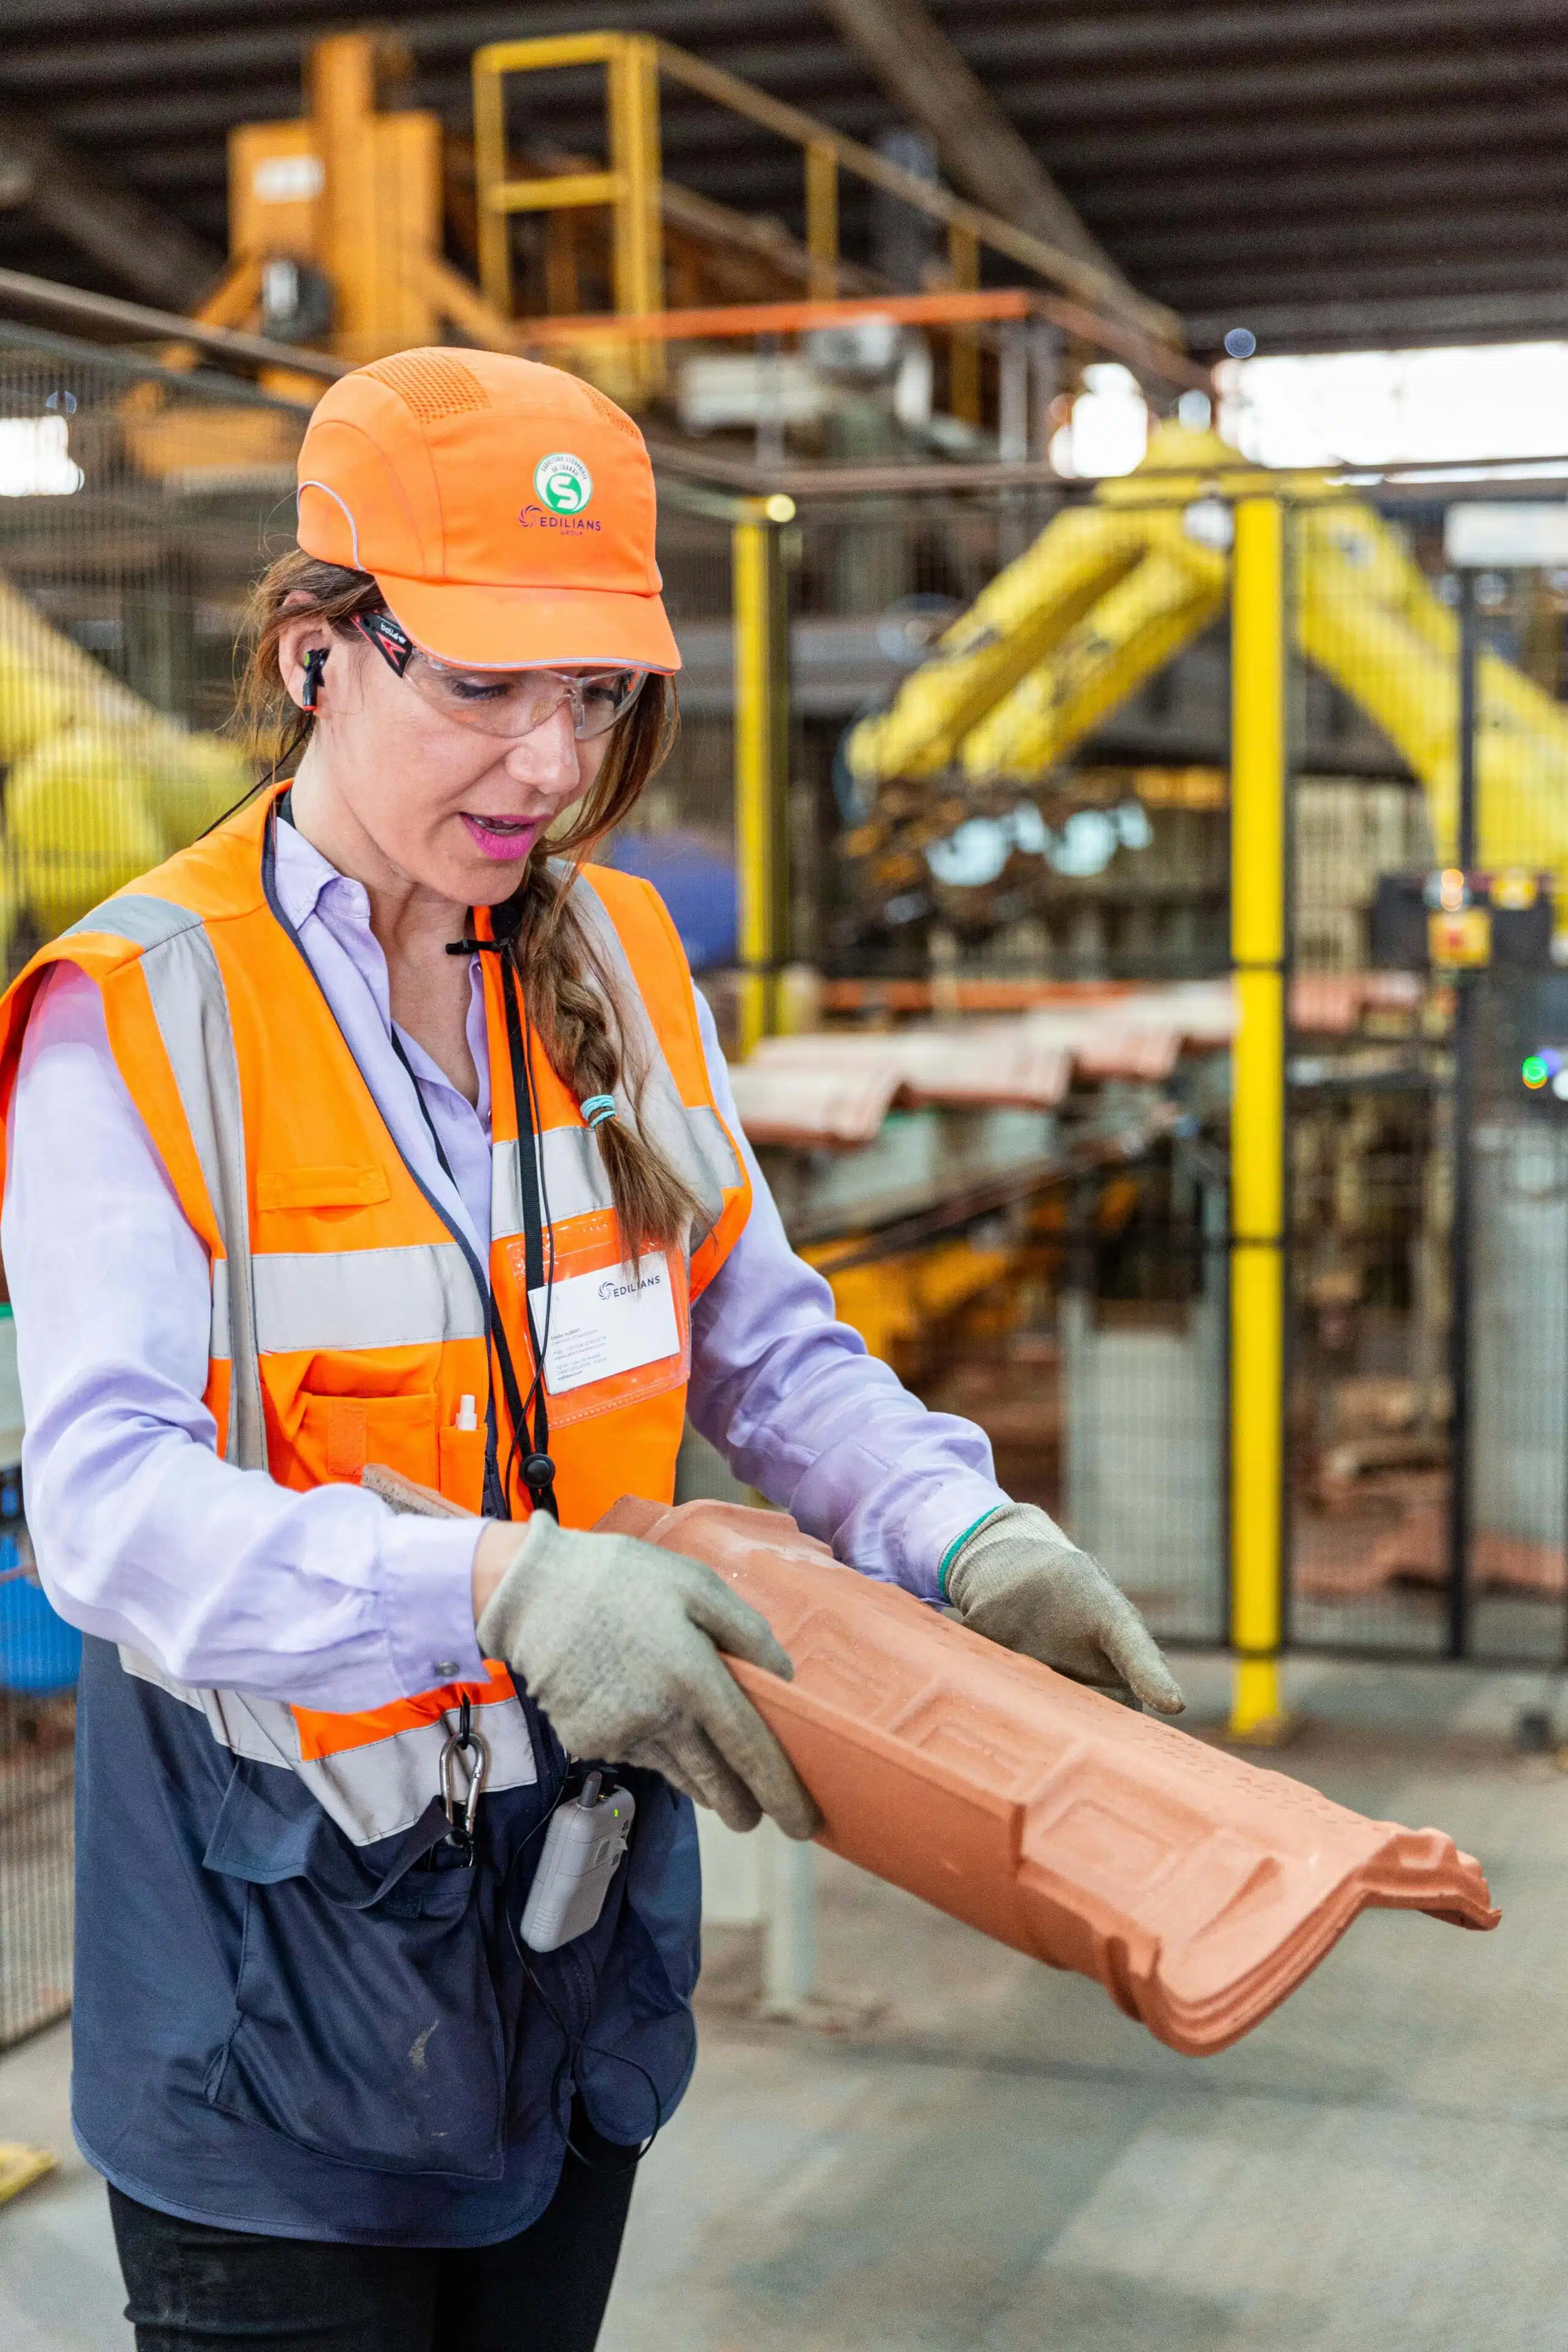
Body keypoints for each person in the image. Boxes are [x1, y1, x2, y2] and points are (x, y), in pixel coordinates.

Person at [0, 349, 1182, 2352]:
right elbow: (107, 1520)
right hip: (271, 2010)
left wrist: (961, 1537)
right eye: (480, 683)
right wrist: (499, 1582)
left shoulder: (619, 962)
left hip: (572, 1964)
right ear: (319, 659)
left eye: (595, 694)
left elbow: (759, 1340)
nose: (547, 766)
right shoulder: (144, 1017)